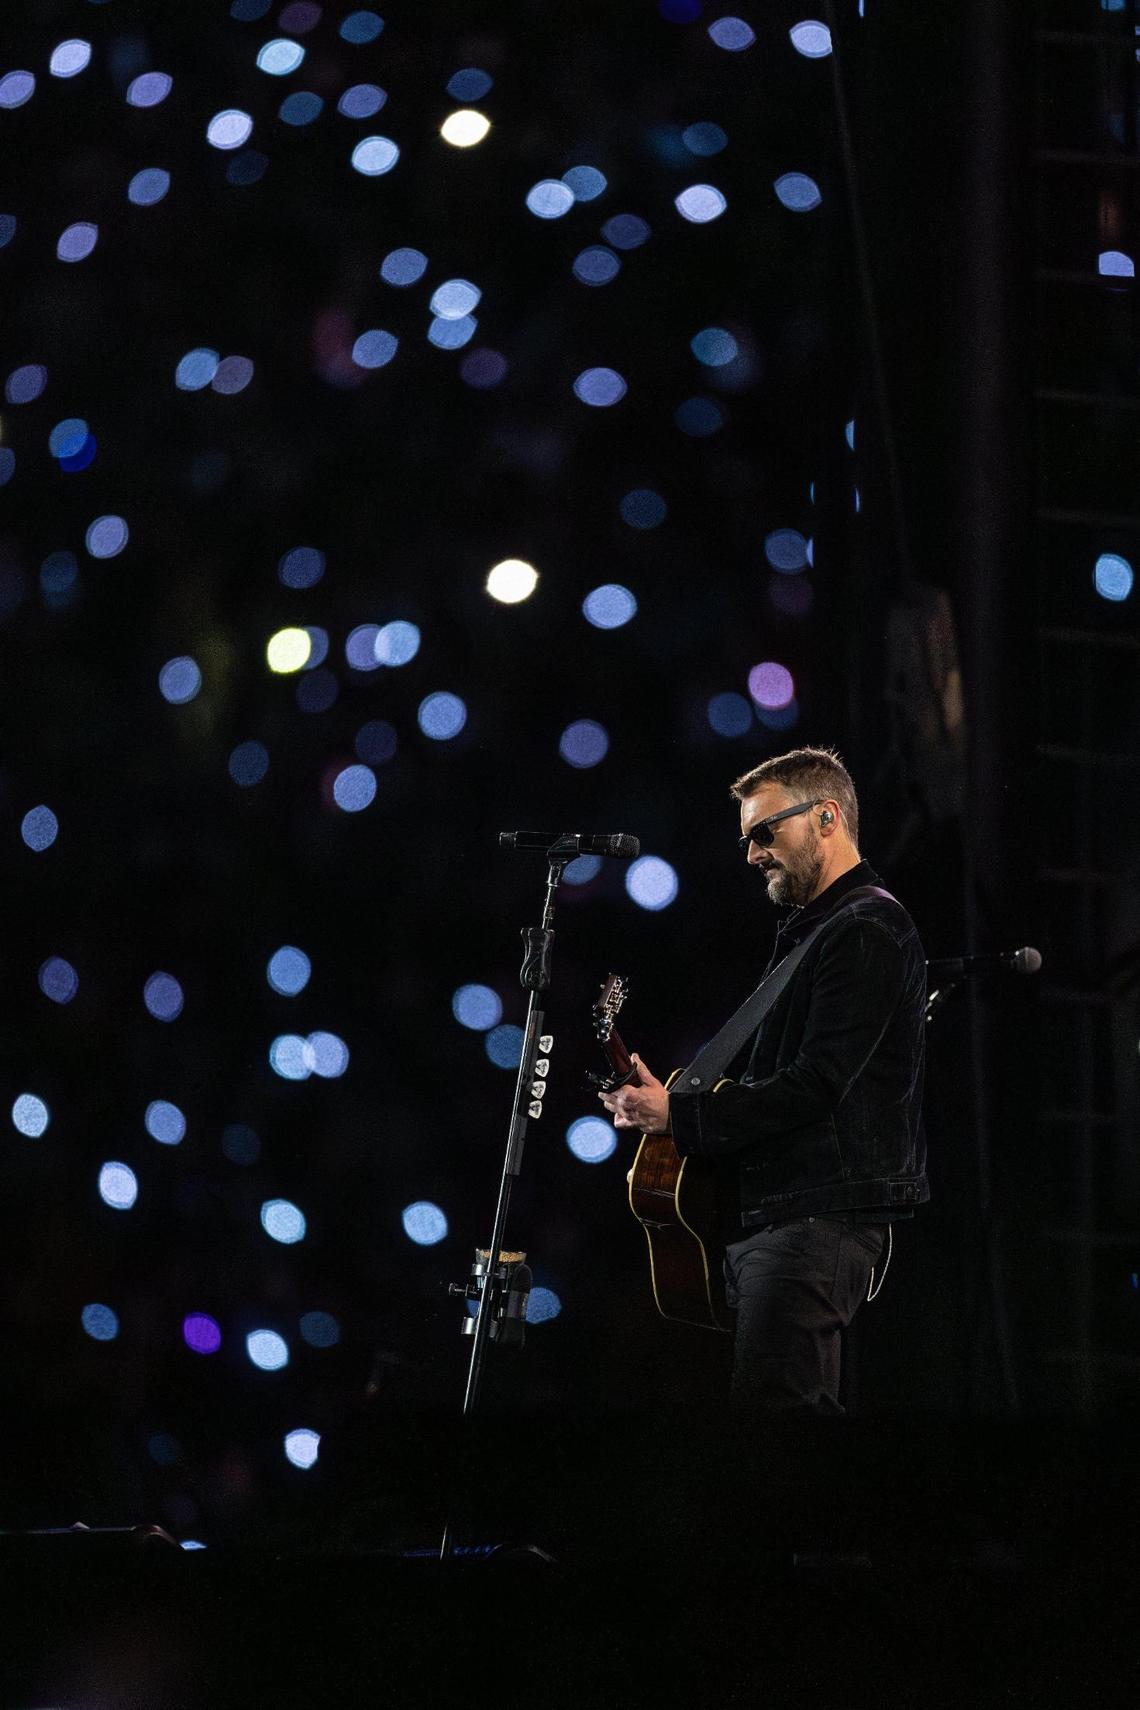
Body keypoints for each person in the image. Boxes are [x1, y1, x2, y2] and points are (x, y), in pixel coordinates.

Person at [600, 746, 928, 1415]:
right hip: (782, 1217)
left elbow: (815, 1085)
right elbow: (771, 1081)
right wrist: (674, 1101)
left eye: (765, 832)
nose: (752, 854)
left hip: (814, 1219)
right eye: (747, 838)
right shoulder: (820, 931)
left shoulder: (867, 929)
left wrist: (679, 1116)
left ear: (826, 818)